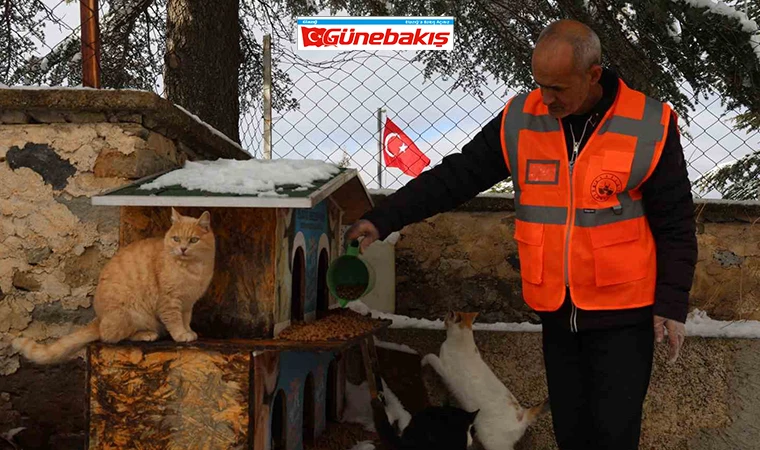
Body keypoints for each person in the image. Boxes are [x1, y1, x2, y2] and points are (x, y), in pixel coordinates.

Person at [345, 18, 698, 450]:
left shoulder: (649, 124)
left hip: (624, 314)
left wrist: (672, 303)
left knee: (613, 433)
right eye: (540, 84)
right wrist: (384, 218)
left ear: (592, 74)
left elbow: (676, 223)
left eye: (558, 89)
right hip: (557, 313)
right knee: (571, 432)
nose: (546, 99)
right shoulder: (521, 118)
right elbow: (458, 175)